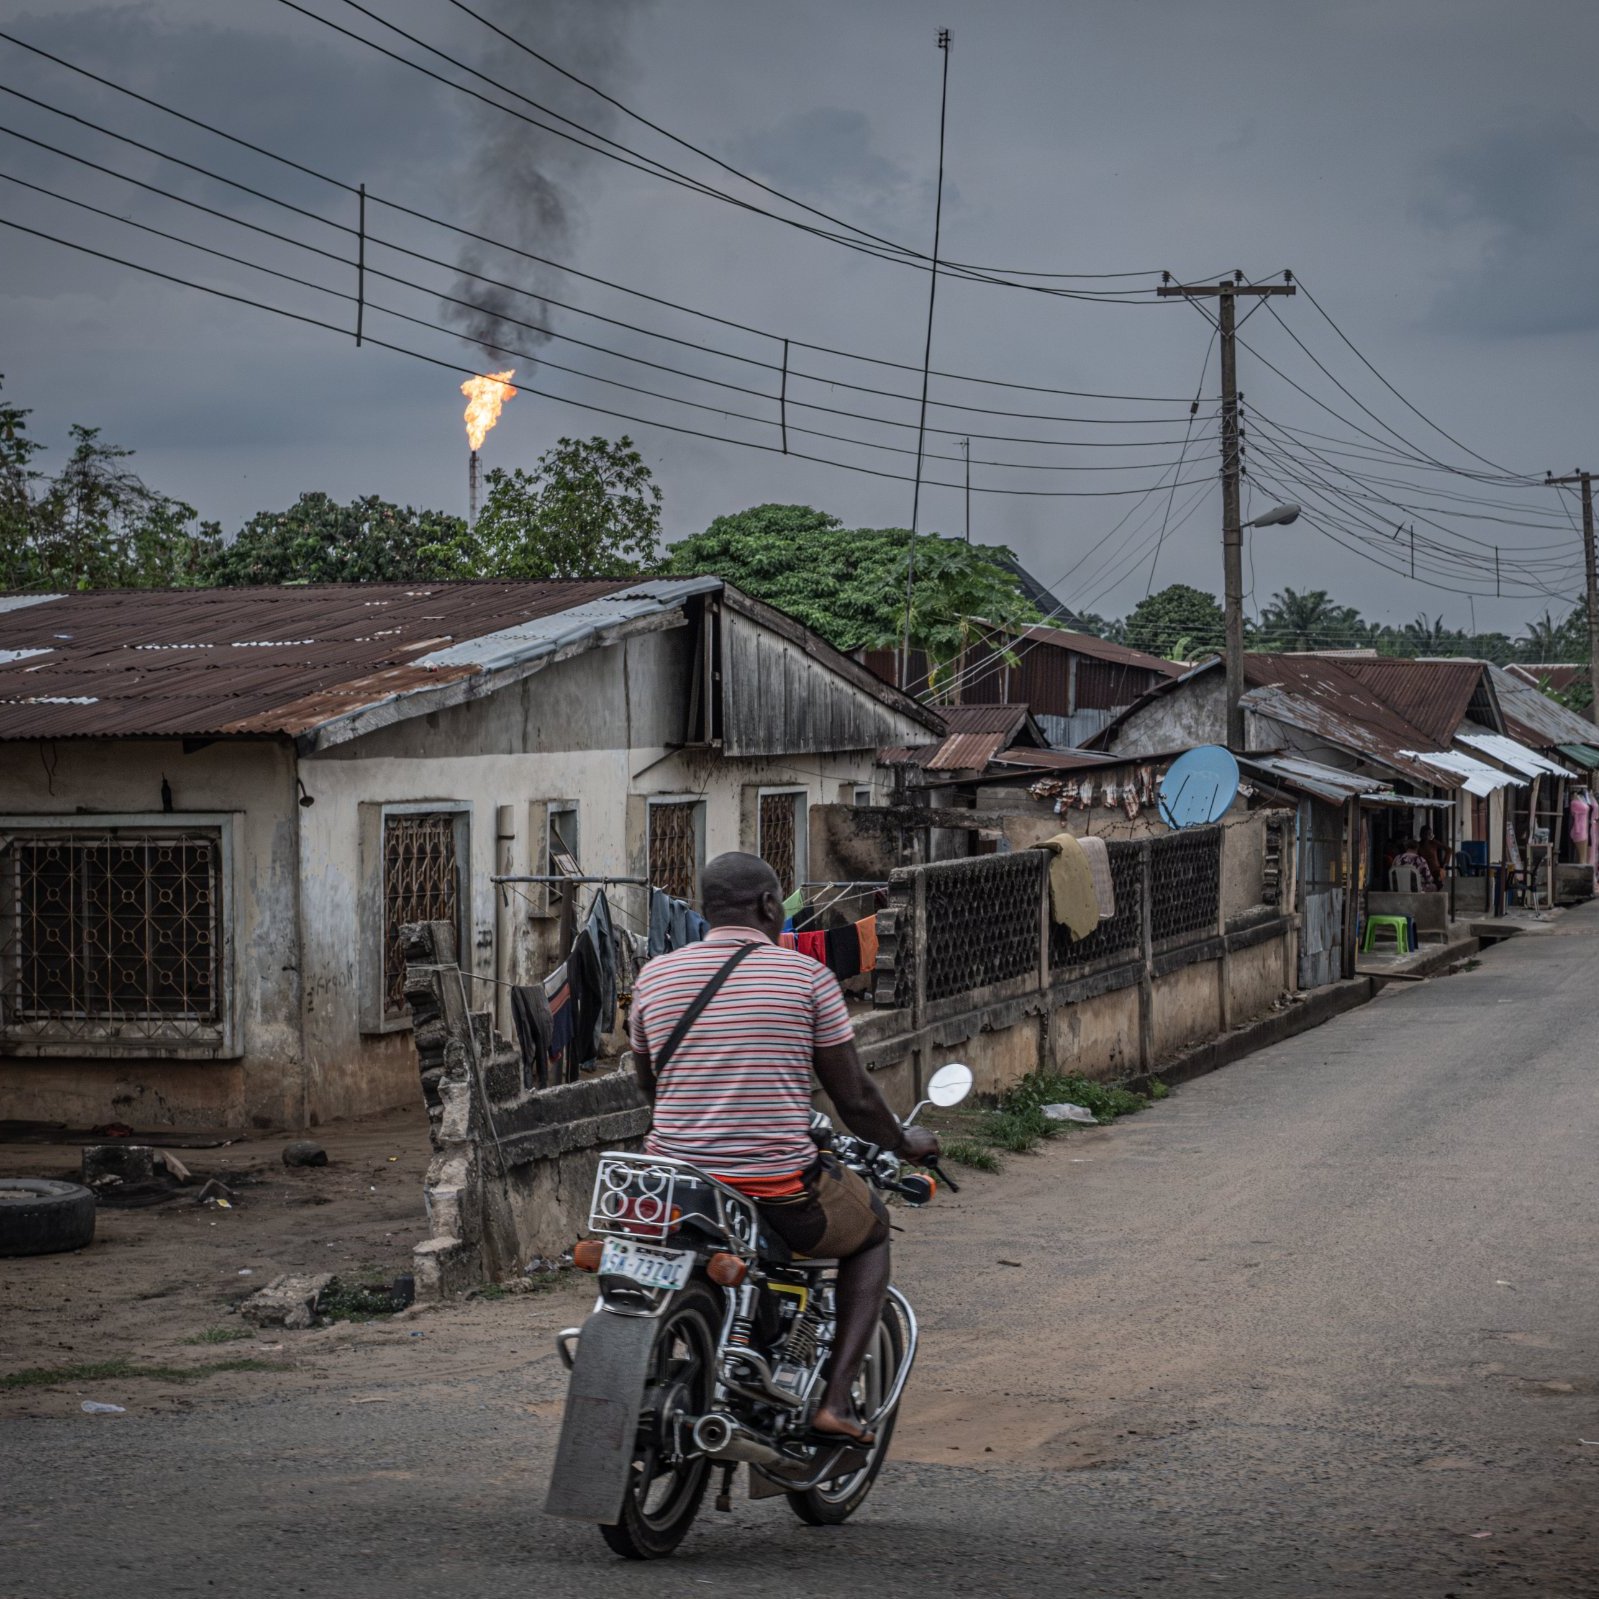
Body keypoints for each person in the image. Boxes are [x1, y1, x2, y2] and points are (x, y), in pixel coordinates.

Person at [630, 852, 938, 1445]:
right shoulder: (805, 977)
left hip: (669, 1182)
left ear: (704, 910)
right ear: (771, 907)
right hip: (771, 1187)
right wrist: (903, 1141)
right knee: (871, 1230)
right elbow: (855, 1099)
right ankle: (834, 1403)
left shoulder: (656, 976)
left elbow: (649, 1084)